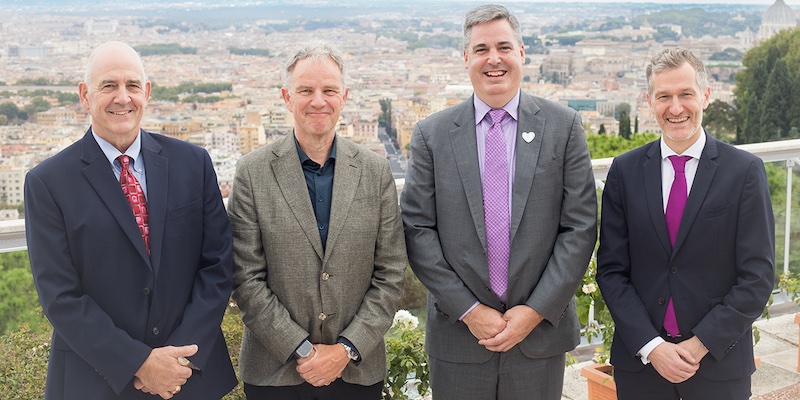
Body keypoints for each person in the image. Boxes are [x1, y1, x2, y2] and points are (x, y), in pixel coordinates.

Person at [400, 4, 597, 399]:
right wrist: (470, 311)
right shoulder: (431, 135)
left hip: (538, 337)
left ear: (522, 53)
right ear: (466, 58)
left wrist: (535, 310)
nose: (494, 59)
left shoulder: (563, 127)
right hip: (459, 337)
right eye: (482, 49)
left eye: (504, 47)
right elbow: (417, 230)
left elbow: (580, 227)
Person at [24, 41, 237, 399]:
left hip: (188, 375)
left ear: (147, 93)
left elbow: (218, 266)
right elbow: (60, 296)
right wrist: (139, 363)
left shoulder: (193, 163)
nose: (122, 97)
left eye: (132, 86)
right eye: (109, 86)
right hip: (96, 380)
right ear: (85, 95)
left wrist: (176, 360)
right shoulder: (48, 183)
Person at [227, 40, 406, 400]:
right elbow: (244, 278)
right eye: (306, 90)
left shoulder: (375, 171)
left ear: (345, 96)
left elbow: (391, 273)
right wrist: (304, 351)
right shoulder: (252, 172)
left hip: (357, 371)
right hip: (276, 374)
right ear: (286, 97)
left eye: (329, 90)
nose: (318, 101)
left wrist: (345, 349)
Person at [596, 47, 775, 400]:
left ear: (706, 95)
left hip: (718, 364)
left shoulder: (744, 172)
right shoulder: (625, 171)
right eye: (664, 96)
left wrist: (700, 345)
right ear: (649, 101)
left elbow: (758, 276)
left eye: (685, 94)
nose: (675, 108)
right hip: (642, 367)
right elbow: (612, 271)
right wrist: (652, 347)